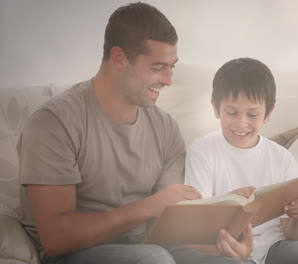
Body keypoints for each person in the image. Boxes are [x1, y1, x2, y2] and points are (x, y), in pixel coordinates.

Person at [17, 2, 201, 264]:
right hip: (73, 255)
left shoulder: (166, 128)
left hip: (147, 246)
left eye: (172, 66)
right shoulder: (54, 123)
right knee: (154, 260)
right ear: (119, 58)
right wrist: (147, 207)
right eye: (158, 67)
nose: (169, 80)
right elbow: (56, 238)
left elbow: (165, 223)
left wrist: (220, 241)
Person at [178, 58, 298, 264]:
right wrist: (228, 204)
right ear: (216, 108)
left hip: (274, 247)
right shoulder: (202, 151)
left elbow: (295, 236)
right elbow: (196, 226)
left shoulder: (281, 158)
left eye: (252, 114)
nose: (242, 123)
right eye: (232, 113)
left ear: (268, 113)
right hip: (225, 247)